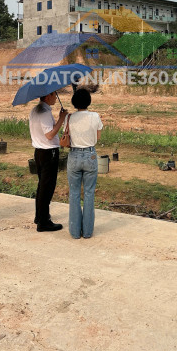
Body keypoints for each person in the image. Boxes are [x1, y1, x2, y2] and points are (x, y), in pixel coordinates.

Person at [64, 88, 103, 239]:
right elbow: (97, 137)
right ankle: (87, 232)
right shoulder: (95, 116)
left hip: (74, 155)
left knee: (74, 193)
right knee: (89, 193)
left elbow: (67, 136)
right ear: (88, 101)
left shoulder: (69, 118)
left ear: (74, 102)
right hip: (90, 155)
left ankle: (75, 232)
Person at [29, 92, 68, 232]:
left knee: (42, 186)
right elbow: (50, 135)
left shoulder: (35, 109)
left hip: (39, 152)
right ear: (47, 97)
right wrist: (61, 119)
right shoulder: (44, 112)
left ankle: (39, 216)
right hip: (48, 152)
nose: (55, 98)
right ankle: (44, 222)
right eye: (54, 95)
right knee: (47, 188)